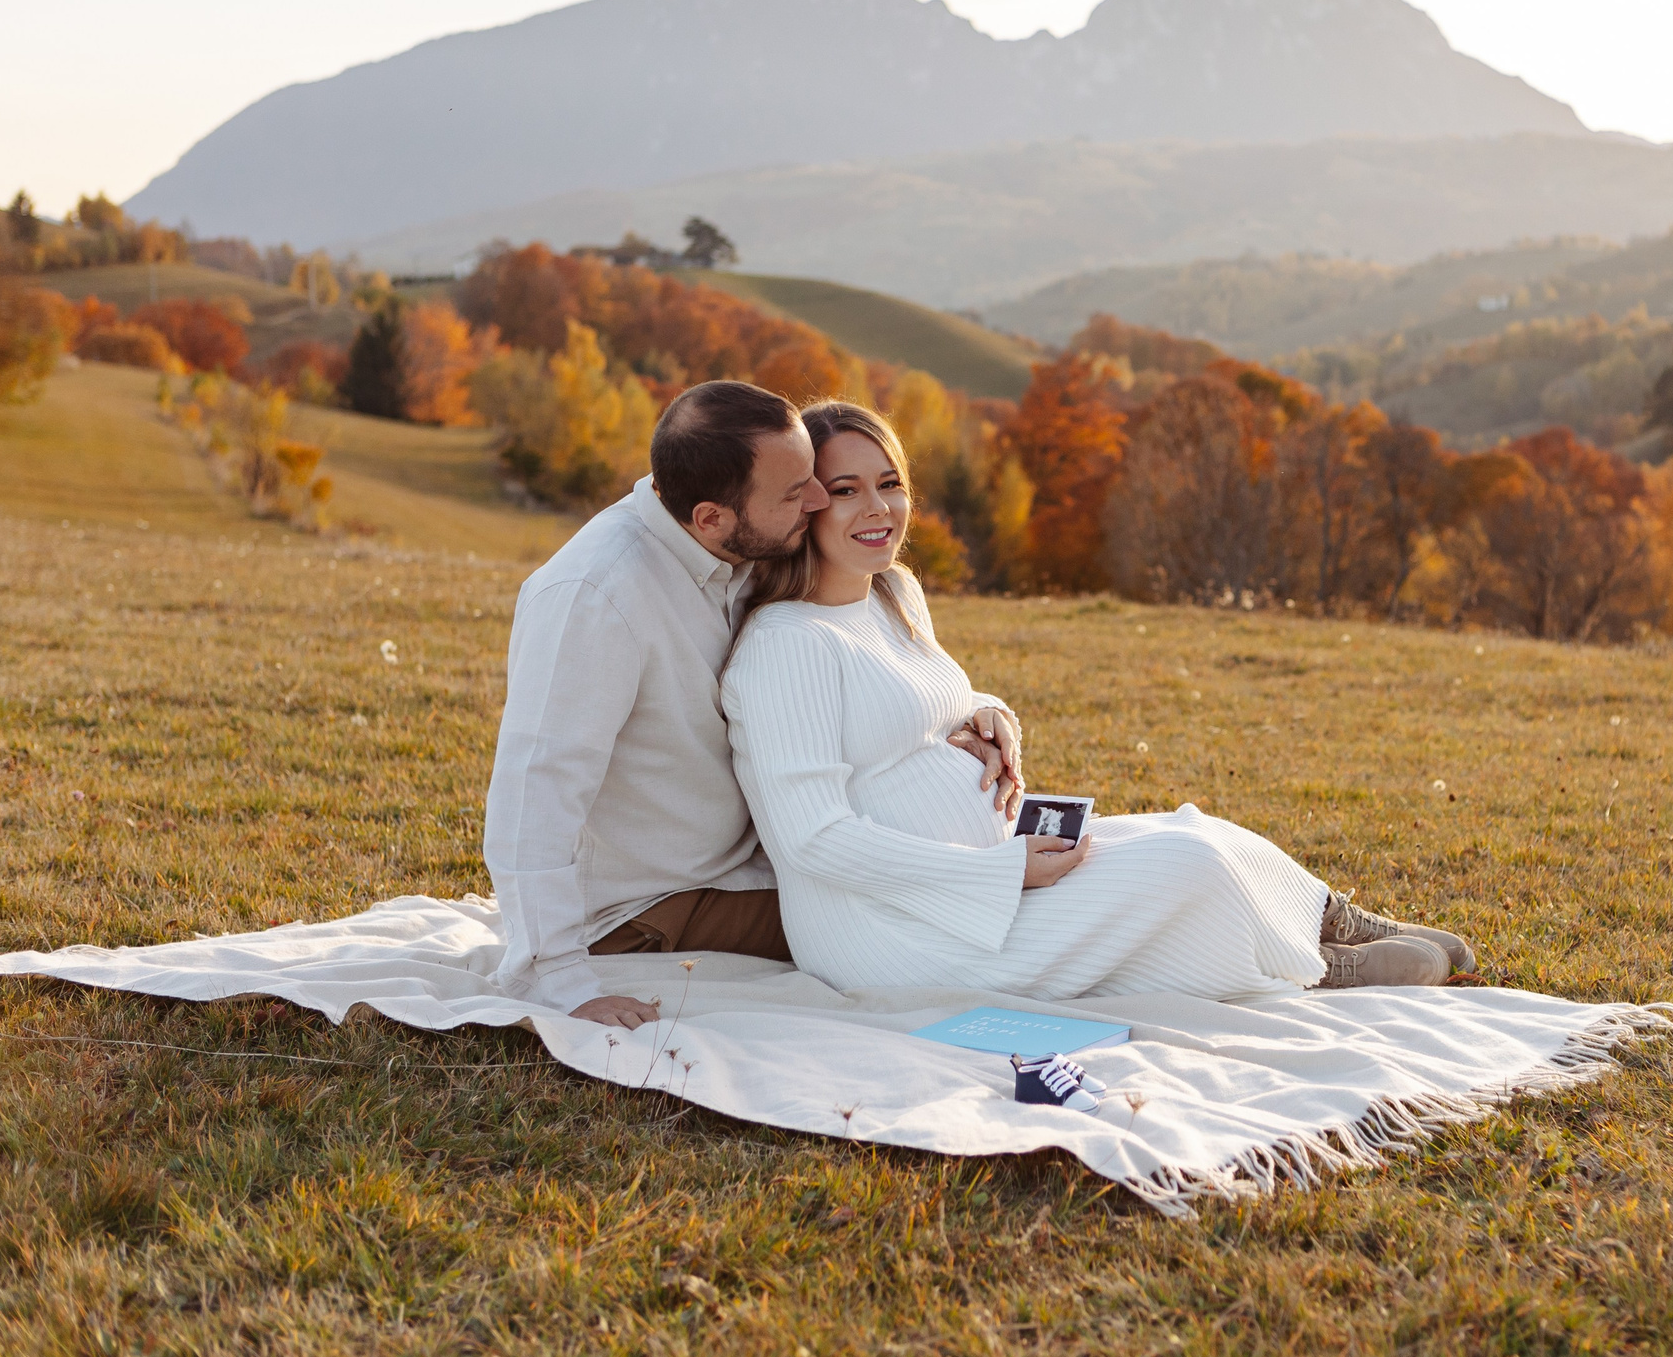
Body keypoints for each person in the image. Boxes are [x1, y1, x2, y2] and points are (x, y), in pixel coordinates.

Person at [722, 401, 1476, 999]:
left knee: (1194, 826)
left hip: (984, 872)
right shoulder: (786, 644)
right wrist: (1001, 873)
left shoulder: (892, 592)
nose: (877, 508)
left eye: (889, 482)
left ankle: (1333, 920)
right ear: (803, 509)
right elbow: (812, 840)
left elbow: (920, 702)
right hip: (897, 932)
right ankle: (1317, 967)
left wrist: (988, 715)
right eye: (845, 491)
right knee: (1183, 866)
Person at [482, 381, 1022, 1028]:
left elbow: (849, 674)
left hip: (745, 859)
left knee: (958, 886)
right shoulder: (595, 596)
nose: (820, 499)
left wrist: (967, 714)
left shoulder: (738, 537)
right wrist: (559, 981)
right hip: (661, 902)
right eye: (800, 492)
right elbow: (531, 797)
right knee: (906, 912)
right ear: (712, 516)